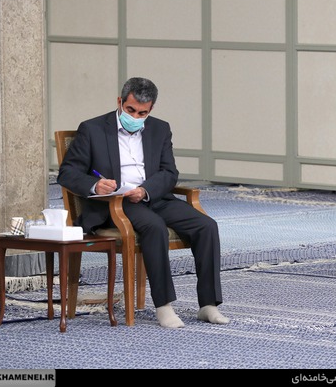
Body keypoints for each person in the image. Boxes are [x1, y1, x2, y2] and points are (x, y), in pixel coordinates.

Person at [57, 77, 229, 327]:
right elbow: (67, 173)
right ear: (120, 101)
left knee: (206, 226)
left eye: (142, 113)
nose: (135, 117)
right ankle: (164, 306)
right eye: (130, 110)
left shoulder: (160, 129)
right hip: (116, 203)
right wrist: (95, 185)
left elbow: (169, 172)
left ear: (151, 109)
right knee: (154, 227)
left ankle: (208, 305)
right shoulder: (92, 129)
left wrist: (145, 190)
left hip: (151, 196)